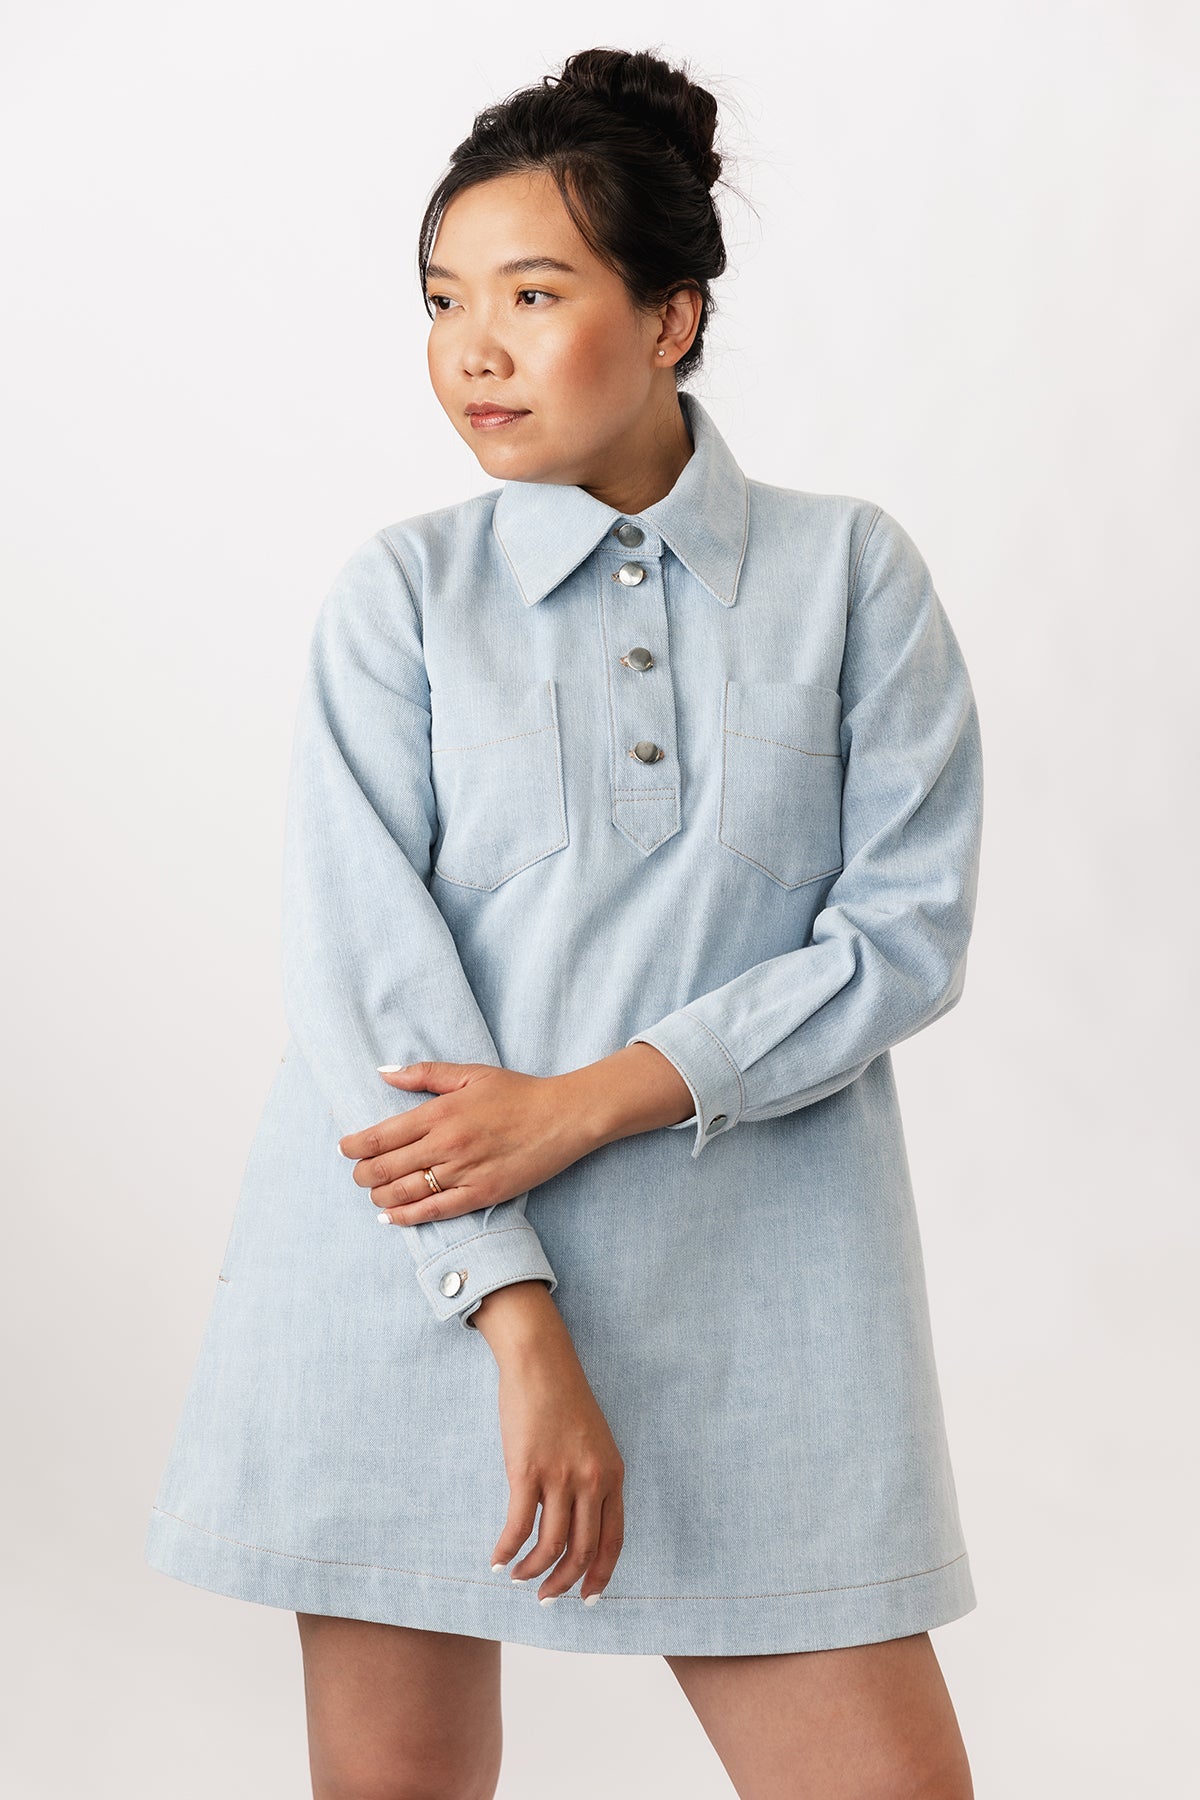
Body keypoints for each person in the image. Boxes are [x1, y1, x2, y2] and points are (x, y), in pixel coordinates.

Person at [144, 44, 984, 1800]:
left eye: (533, 294)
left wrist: (586, 1102)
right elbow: (365, 980)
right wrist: (514, 1316)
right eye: (443, 299)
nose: (474, 348)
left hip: (765, 1311)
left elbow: (901, 938)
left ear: (673, 318)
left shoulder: (851, 575)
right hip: (419, 1282)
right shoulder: (401, 594)